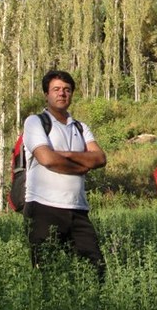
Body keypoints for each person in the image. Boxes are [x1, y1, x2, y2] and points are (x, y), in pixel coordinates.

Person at [22, 70, 107, 278]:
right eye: (56, 89)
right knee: (46, 273)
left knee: (95, 271)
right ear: (46, 94)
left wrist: (66, 154)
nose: (62, 94)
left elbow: (100, 158)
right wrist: (80, 165)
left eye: (67, 90)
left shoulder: (80, 127)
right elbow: (47, 159)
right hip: (43, 208)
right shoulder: (35, 122)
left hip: (78, 210)